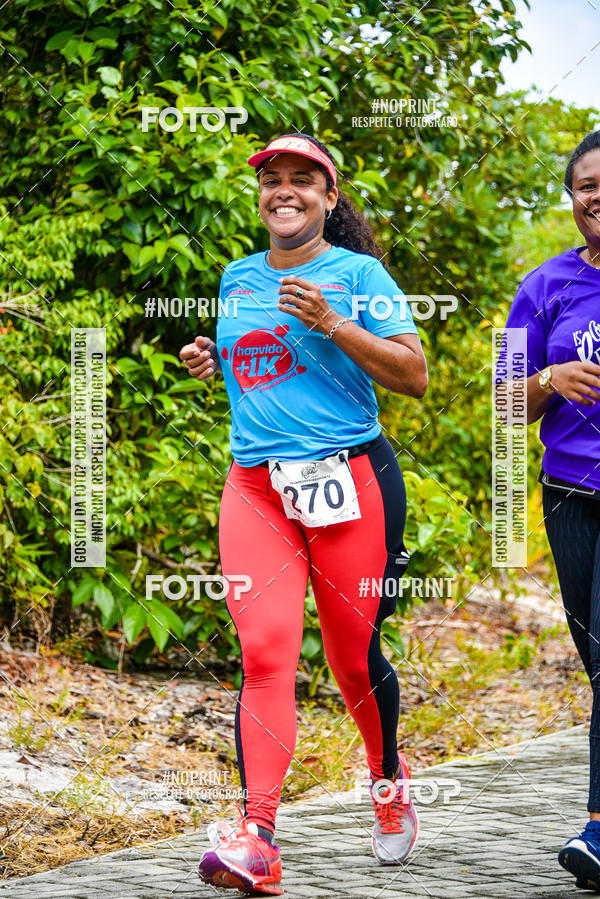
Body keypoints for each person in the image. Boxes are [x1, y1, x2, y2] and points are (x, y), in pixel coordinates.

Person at [179, 133, 428, 895]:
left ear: (328, 197)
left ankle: (387, 779)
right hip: (257, 487)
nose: (283, 192)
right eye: (272, 181)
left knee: (352, 659)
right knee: (265, 654)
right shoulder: (236, 277)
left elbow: (414, 374)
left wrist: (333, 322)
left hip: (351, 480)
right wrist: (215, 360)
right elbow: (266, 362)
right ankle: (257, 837)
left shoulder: (358, 274)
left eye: (301, 182)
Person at [503, 129, 600, 891]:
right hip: (570, 495)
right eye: (586, 185)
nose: (597, 196)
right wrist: (551, 377)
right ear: (572, 199)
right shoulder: (545, 286)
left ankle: (599, 827)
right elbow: (503, 402)